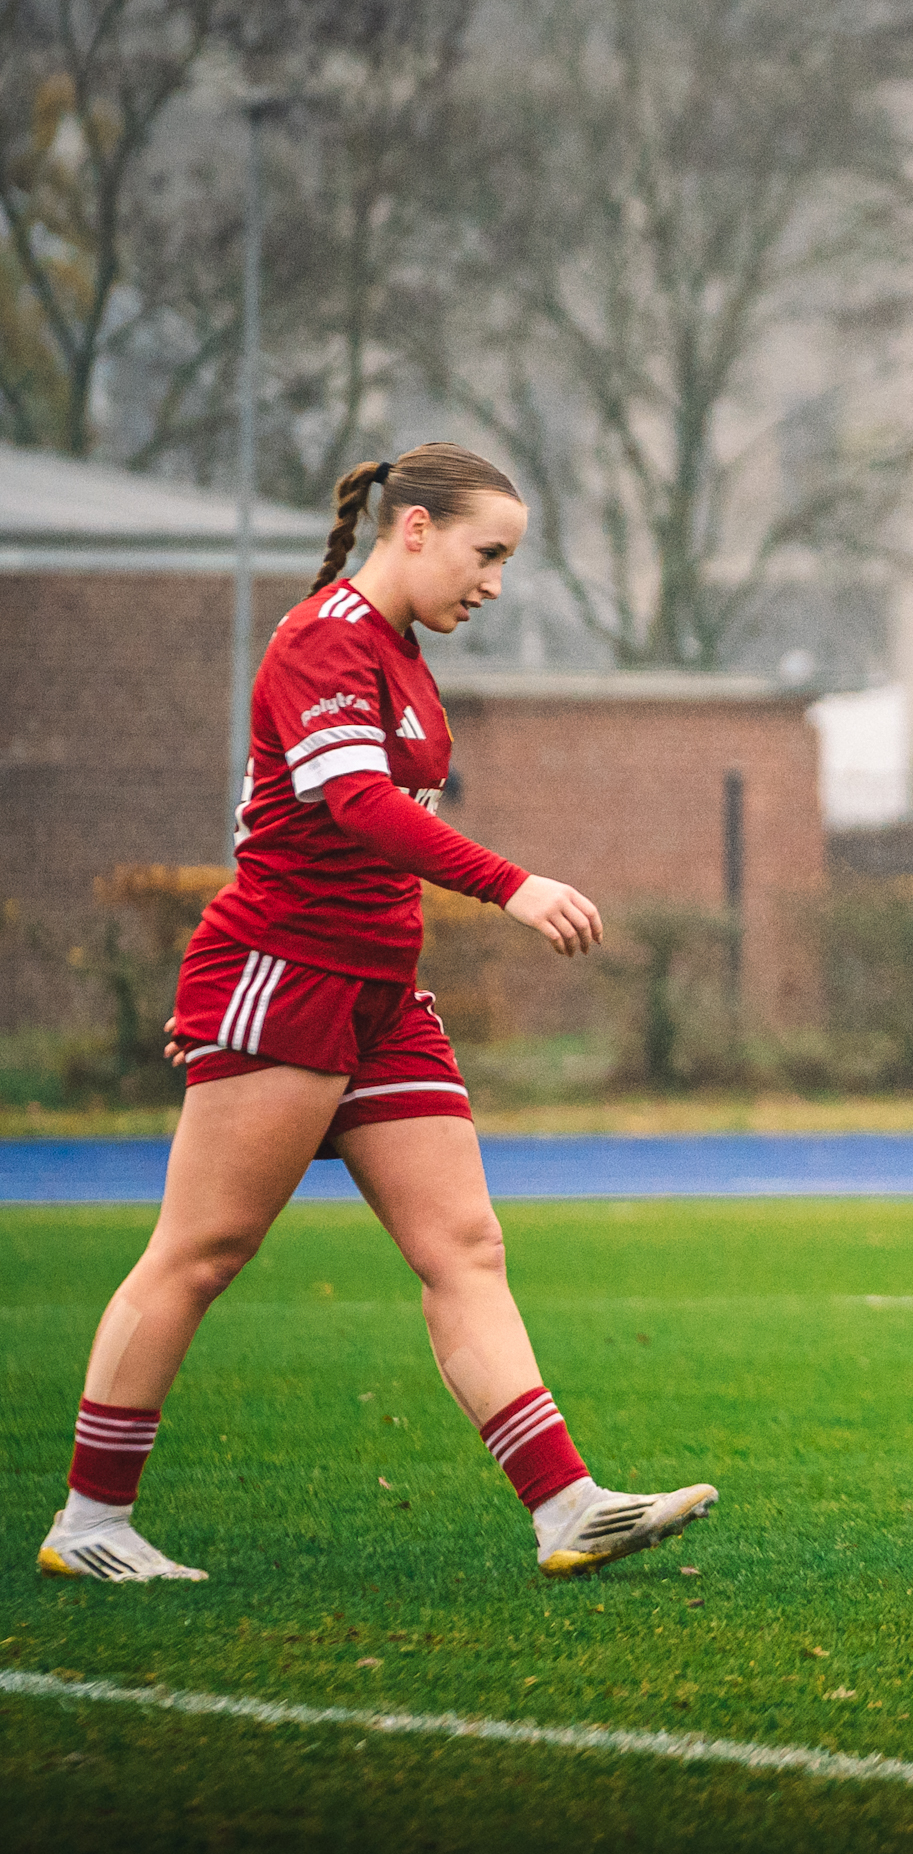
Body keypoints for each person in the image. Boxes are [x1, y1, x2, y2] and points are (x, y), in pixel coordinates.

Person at [36, 444, 717, 1585]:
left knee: (465, 1247)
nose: (494, 580)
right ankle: (90, 1522)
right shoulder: (324, 639)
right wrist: (513, 882)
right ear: (411, 526)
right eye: (484, 550)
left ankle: (566, 1505)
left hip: (378, 996)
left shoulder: (399, 658)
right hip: (286, 976)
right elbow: (350, 805)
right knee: (201, 1251)